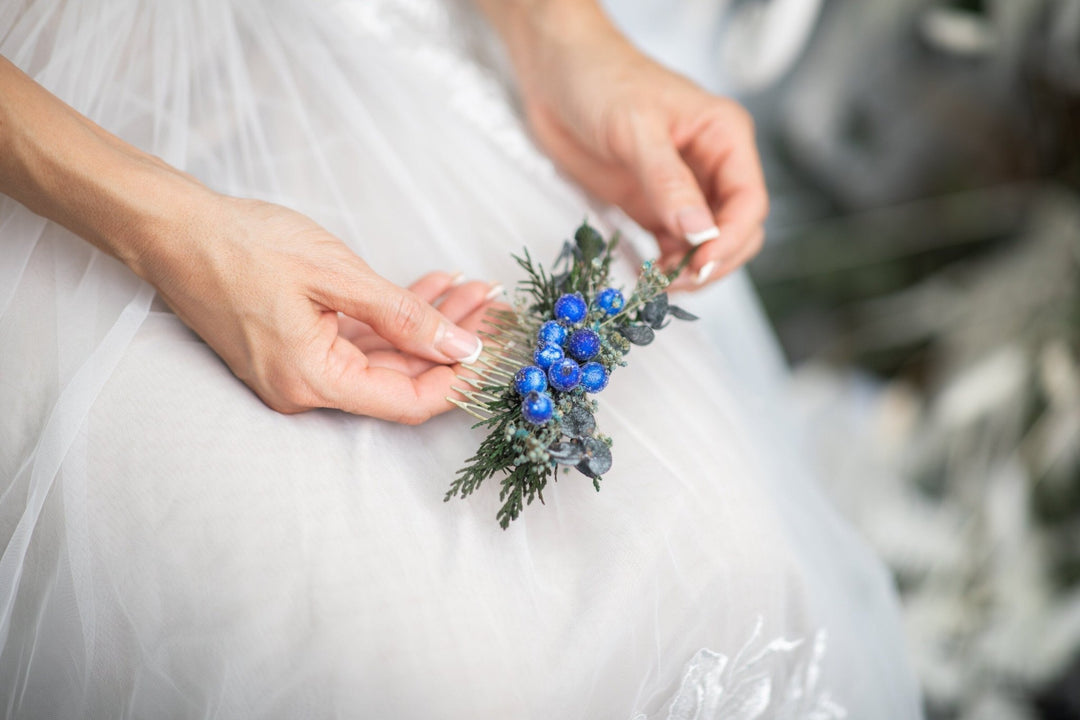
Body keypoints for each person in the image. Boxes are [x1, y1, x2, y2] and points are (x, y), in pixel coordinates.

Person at [0, 0, 923, 717]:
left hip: (340, 46)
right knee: (424, 667)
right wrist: (170, 231)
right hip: (48, 146)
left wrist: (561, 33)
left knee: (719, 557)